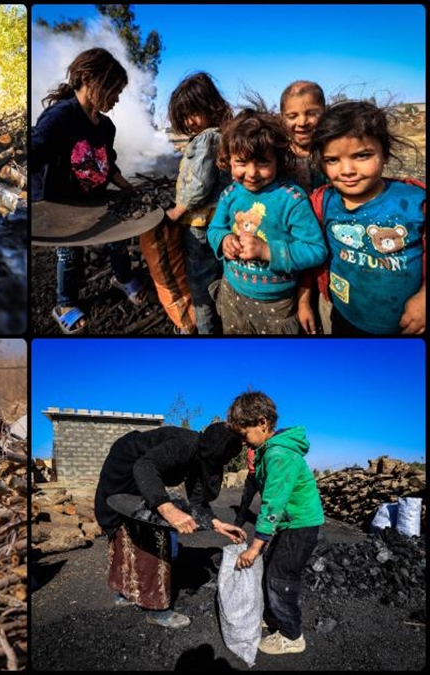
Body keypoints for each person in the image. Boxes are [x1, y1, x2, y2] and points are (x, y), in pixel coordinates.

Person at [31, 47, 146, 334]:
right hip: (61, 205)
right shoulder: (59, 117)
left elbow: (109, 166)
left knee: (117, 239)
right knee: (68, 254)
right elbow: (34, 154)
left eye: (119, 92)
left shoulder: (106, 127)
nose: (117, 98)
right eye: (113, 89)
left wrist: (128, 189)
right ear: (87, 79)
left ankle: (122, 277)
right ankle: (65, 303)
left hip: (95, 199)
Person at [93, 422, 247, 629]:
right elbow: (144, 467)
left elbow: (198, 502)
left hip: (142, 478)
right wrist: (168, 509)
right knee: (143, 532)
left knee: (141, 526)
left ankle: (131, 590)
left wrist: (217, 524)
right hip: (123, 470)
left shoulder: (202, 458)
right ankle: (154, 606)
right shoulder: (185, 444)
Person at [299, 101, 426, 335]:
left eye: (362, 155)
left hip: (407, 325)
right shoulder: (322, 203)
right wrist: (304, 301)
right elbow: (311, 255)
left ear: (385, 153)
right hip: (344, 317)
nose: (347, 170)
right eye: (332, 160)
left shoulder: (415, 201)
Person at [207, 109, 328, 334]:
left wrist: (267, 251)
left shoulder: (291, 199)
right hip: (232, 292)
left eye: (262, 162)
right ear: (228, 160)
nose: (251, 173)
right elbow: (214, 229)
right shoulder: (230, 194)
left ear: (278, 160)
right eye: (241, 162)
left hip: (278, 304)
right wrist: (223, 240)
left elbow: (316, 250)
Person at [228, 390, 324, 655]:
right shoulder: (264, 451)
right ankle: (275, 616)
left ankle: (292, 636)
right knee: (272, 569)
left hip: (300, 524)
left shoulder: (278, 454)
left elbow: (273, 504)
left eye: (244, 433)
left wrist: (254, 547)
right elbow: (253, 488)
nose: (243, 441)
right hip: (288, 523)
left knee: (281, 577)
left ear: (262, 423)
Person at [165, 72, 233, 334]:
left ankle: (205, 331)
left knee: (201, 285)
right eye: (183, 116)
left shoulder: (207, 138)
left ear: (210, 106)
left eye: (192, 113)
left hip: (199, 224)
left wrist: (177, 211)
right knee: (220, 277)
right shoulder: (221, 135)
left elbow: (199, 185)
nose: (188, 122)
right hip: (218, 222)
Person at [280, 81, 329, 195]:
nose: (302, 122)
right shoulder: (277, 155)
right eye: (292, 116)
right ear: (282, 118)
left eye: (312, 114)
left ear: (324, 112)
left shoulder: (333, 152)